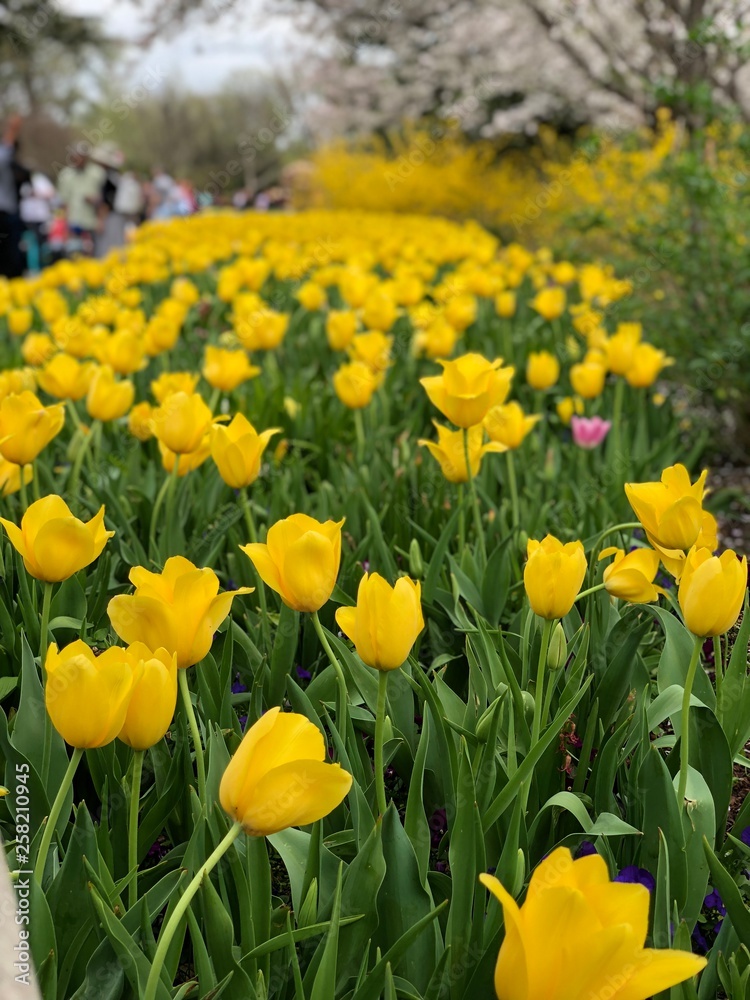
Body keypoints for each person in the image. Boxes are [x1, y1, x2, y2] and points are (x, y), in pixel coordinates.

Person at [57, 145, 106, 255]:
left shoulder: (97, 173)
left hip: (90, 223)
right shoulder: (66, 175)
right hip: (73, 222)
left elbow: (102, 201)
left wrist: (101, 220)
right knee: (73, 255)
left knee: (91, 254)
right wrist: (63, 226)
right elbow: (63, 203)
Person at [0, 115, 24, 277]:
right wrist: (13, 129)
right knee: (9, 256)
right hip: (5, 214)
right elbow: (6, 150)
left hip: (6, 213)